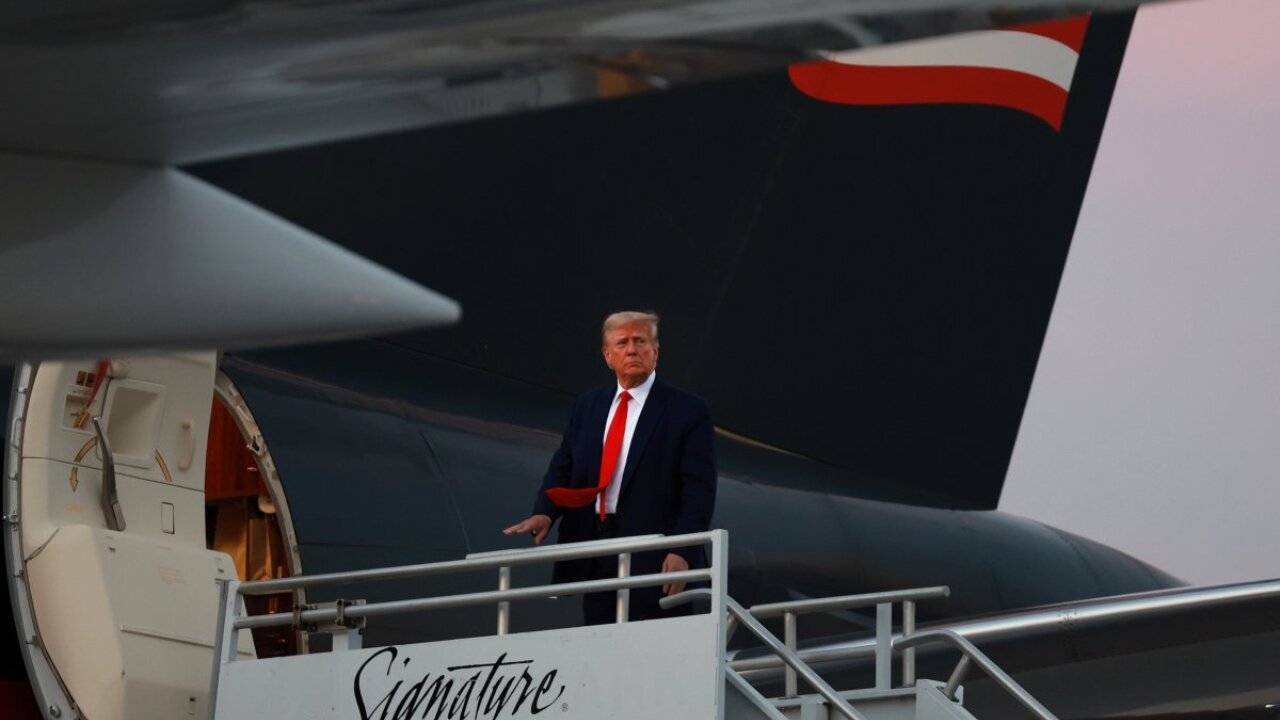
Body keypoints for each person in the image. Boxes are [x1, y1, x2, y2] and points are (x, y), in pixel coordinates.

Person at [503, 310, 717, 624]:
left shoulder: (687, 410)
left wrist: (682, 551)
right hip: (598, 549)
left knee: (655, 654)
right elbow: (565, 464)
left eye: (640, 341)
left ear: (655, 352)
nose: (632, 349)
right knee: (600, 643)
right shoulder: (589, 405)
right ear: (608, 356)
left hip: (656, 555)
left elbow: (699, 489)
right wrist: (546, 510)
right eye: (622, 343)